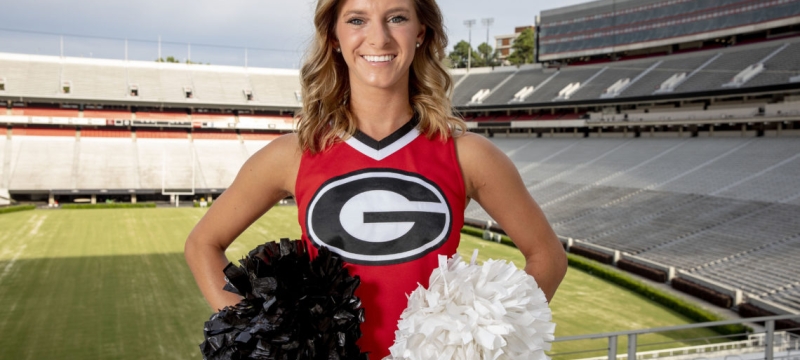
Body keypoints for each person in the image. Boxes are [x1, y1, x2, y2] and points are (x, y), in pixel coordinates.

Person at [184, 0, 567, 358]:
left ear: (421, 32)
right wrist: (265, 339)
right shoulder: (294, 154)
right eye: (357, 20)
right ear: (334, 37)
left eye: (397, 18)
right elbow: (203, 244)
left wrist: (486, 344)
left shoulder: (469, 155)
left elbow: (547, 257)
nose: (379, 38)